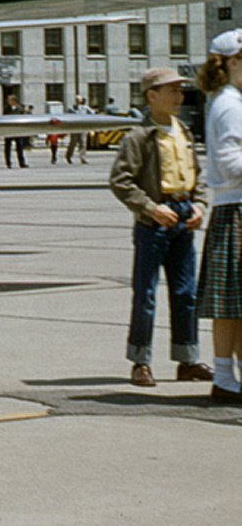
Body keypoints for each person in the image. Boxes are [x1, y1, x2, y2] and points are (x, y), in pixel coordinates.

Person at [109, 67, 210, 388]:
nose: (179, 96)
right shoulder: (139, 137)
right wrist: (151, 208)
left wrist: (199, 203)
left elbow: (197, 174)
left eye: (181, 91)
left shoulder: (184, 131)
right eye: (172, 91)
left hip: (183, 214)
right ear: (152, 96)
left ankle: (187, 358)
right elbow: (121, 181)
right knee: (146, 292)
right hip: (154, 220)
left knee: (185, 292)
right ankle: (140, 361)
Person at [196, 30, 242, 403]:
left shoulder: (228, 100)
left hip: (233, 208)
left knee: (235, 305)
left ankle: (229, 376)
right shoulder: (230, 105)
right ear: (229, 63)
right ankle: (225, 377)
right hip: (236, 207)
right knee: (230, 307)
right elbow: (230, 164)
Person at [3, 94, 28, 168]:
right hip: (9, 130)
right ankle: (8, 163)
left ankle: (22, 162)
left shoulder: (19, 109)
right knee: (7, 147)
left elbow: (23, 117)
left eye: (10, 100)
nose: (8, 102)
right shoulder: (6, 108)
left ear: (14, 101)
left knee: (19, 146)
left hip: (17, 130)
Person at [66, 94, 92, 164]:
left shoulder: (85, 108)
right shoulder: (71, 109)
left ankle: (83, 158)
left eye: (80, 99)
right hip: (74, 128)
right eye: (77, 99)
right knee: (73, 143)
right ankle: (69, 156)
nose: (79, 100)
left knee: (83, 143)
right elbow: (68, 118)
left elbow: (92, 114)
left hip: (83, 127)